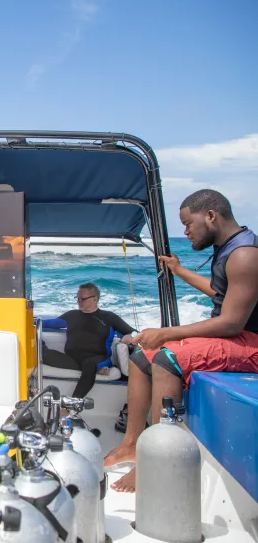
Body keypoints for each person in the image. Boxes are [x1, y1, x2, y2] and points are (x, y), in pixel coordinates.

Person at [105, 189, 258, 493]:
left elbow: (230, 322)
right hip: (237, 335)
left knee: (166, 359)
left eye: (188, 224)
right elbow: (221, 293)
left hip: (250, 341)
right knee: (140, 358)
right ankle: (132, 445)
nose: (185, 232)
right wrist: (179, 271)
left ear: (211, 216)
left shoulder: (245, 254)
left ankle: (158, 461)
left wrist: (167, 333)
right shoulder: (231, 248)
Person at [41, 283, 136, 399]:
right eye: (77, 298)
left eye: (83, 299)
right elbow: (49, 323)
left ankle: (72, 404)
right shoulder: (72, 315)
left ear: (94, 299)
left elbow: (132, 332)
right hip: (72, 360)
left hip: (99, 359)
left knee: (89, 364)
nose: (79, 301)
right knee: (44, 353)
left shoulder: (109, 317)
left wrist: (129, 336)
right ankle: (97, 372)